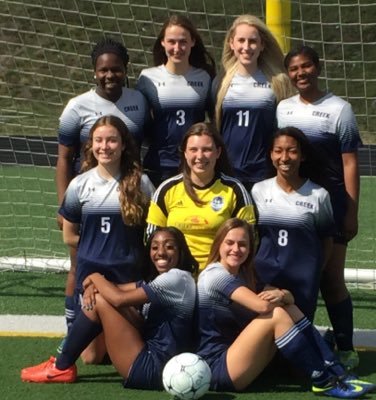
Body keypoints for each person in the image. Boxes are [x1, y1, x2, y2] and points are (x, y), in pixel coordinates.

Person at [196, 218, 376, 398]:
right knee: (276, 314)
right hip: (217, 367)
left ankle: (336, 371)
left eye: (242, 244)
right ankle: (323, 381)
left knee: (286, 309)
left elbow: (288, 298)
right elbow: (262, 305)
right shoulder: (215, 275)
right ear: (218, 244)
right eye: (229, 243)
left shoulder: (244, 275)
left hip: (237, 360)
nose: (236, 249)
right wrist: (282, 297)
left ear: (250, 249)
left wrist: (283, 296)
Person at [56, 37, 149, 358]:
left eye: (116, 70)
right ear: (95, 72)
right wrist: (62, 206)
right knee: (77, 264)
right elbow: (64, 158)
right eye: (104, 70)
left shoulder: (139, 101)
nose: (110, 75)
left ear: (125, 71)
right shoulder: (76, 107)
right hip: (88, 195)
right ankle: (73, 334)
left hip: (127, 190)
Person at [21, 226, 198, 388]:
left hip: (153, 368)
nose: (161, 252)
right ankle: (61, 363)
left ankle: (60, 366)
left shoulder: (176, 278)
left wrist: (95, 277)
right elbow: (118, 288)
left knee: (99, 301)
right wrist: (95, 285)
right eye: (155, 247)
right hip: (160, 363)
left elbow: (119, 299)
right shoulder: (167, 280)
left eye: (169, 247)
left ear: (181, 251)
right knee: (101, 297)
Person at [276, 45, 362, 369]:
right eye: (295, 69)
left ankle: (346, 347)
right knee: (301, 276)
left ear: (318, 68)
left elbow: (350, 163)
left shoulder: (339, 109)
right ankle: (299, 341)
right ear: (289, 74)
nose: (301, 73)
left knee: (331, 278)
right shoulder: (283, 109)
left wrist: (351, 211)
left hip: (333, 204)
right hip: (296, 206)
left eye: (306, 66)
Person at [251, 127, 335, 322]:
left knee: (298, 340)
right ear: (271, 154)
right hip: (266, 277)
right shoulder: (259, 190)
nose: (284, 157)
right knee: (265, 335)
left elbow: (327, 240)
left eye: (292, 150)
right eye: (278, 150)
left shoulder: (318, 195)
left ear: (303, 156)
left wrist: (314, 273)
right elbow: (252, 236)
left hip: (302, 280)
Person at [146, 122, 255, 271]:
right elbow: (150, 237)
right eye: (193, 150)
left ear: (218, 152)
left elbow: (249, 239)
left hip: (219, 274)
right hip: (175, 273)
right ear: (185, 153)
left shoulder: (234, 190)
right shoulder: (167, 189)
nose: (199, 156)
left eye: (207, 150)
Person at [213, 14, 294, 191]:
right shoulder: (220, 83)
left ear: (262, 45)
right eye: (241, 40)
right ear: (231, 43)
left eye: (252, 41)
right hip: (226, 172)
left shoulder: (278, 82)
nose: (246, 47)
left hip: (263, 173)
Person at [136, 15, 216, 187]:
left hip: (195, 163)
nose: (177, 48)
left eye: (183, 41)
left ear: (192, 42)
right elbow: (141, 122)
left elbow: (215, 119)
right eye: (171, 41)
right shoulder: (147, 78)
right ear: (163, 43)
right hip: (160, 163)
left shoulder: (204, 77)